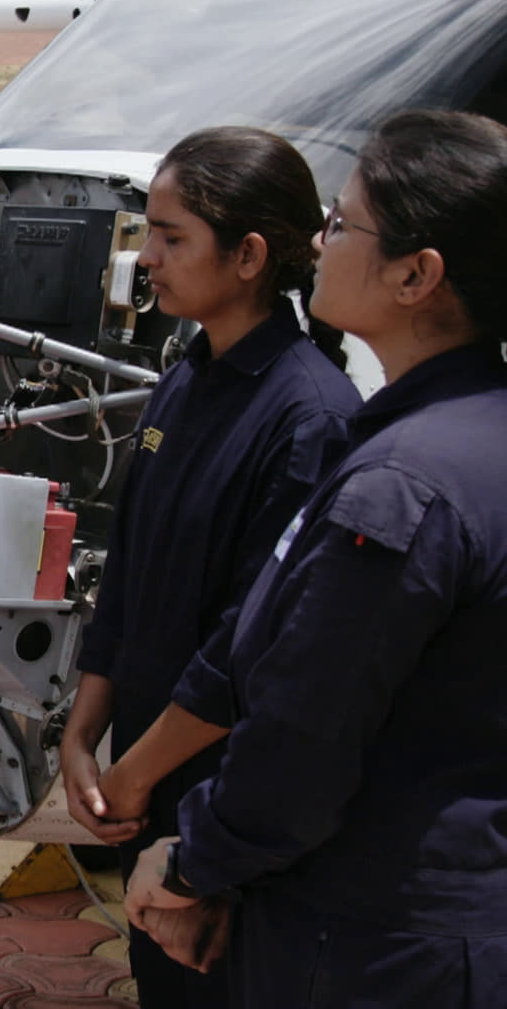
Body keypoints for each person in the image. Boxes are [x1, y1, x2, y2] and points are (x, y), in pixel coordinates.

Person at [124, 109, 507, 1006]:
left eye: (340, 225)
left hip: (370, 940)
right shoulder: (454, 442)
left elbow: (304, 727)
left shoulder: (402, 481)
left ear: (417, 274)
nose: (320, 245)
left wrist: (192, 862)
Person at [56, 126, 362, 1004]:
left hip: (216, 814)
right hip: (137, 782)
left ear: (250, 255)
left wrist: (131, 775)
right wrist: (83, 736)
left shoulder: (310, 420)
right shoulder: (189, 374)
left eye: (171, 235)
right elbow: (131, 566)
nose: (144, 257)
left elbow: (252, 648)